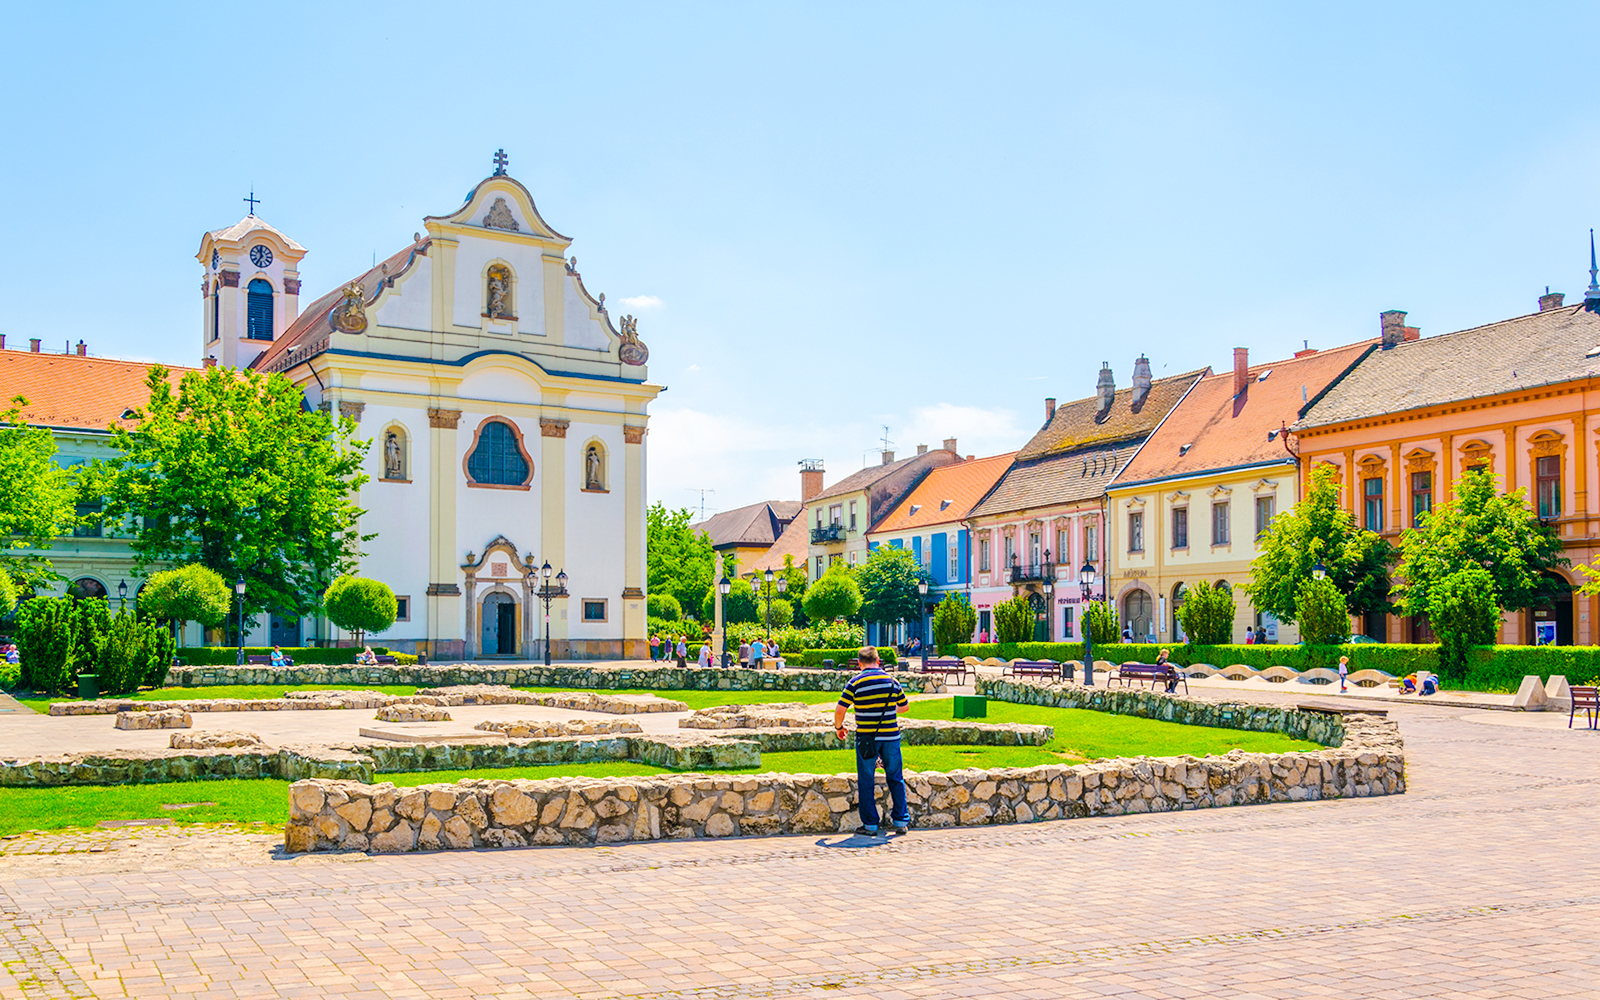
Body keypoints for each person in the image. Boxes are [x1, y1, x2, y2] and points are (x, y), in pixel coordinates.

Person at [834, 647, 911, 836]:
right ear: (878, 660)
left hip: (867, 738)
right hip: (891, 737)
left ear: (859, 663)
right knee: (895, 777)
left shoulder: (855, 682)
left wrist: (839, 728)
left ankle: (870, 824)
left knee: (866, 779)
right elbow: (905, 707)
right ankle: (901, 821)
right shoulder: (892, 681)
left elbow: (840, 710)